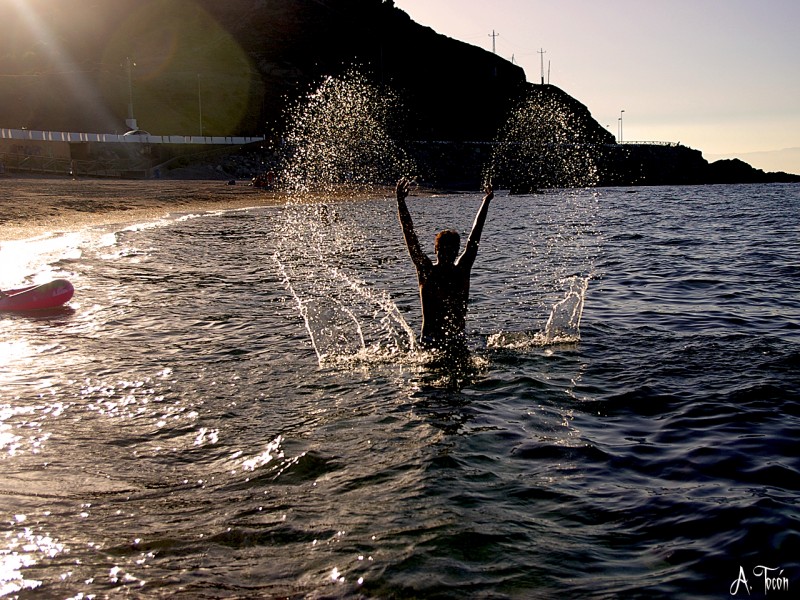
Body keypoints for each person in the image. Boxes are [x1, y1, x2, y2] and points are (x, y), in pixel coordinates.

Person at [396, 178, 494, 350]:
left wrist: (401, 202)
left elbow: (410, 234)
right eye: (445, 250)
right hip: (454, 342)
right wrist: (486, 201)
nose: (447, 254)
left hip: (431, 344)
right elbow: (475, 235)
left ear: (435, 250)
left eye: (448, 250)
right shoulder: (458, 271)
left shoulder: (428, 271)